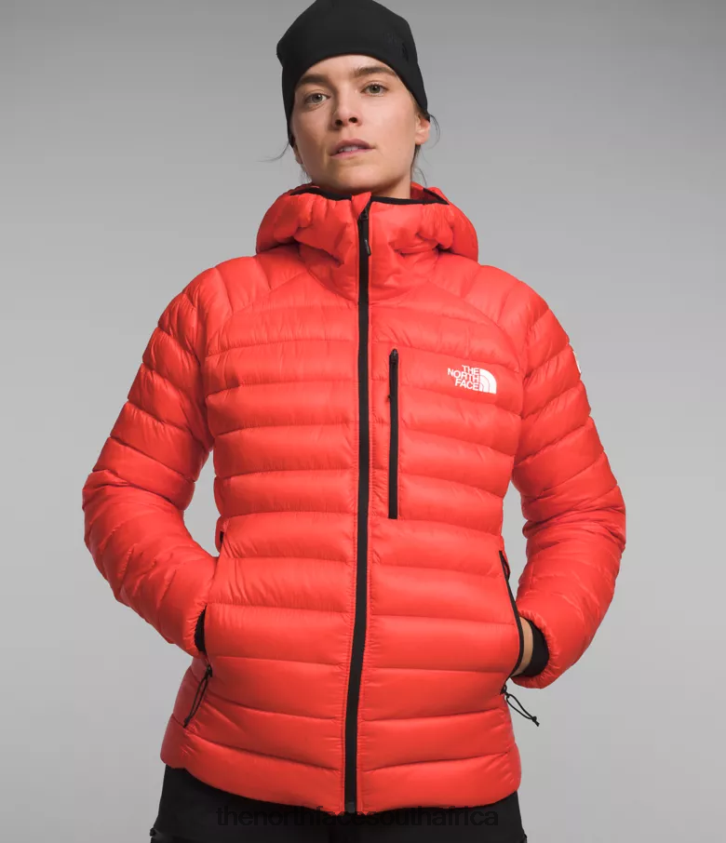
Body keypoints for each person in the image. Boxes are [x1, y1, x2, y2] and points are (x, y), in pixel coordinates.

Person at [81, 1, 627, 841]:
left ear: (421, 120)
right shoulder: (217, 306)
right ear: (295, 133)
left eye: (373, 87)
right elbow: (123, 491)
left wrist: (532, 636)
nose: (344, 111)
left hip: (454, 782)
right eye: (314, 95)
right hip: (234, 777)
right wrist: (209, 614)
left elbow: (582, 511)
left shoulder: (510, 319)